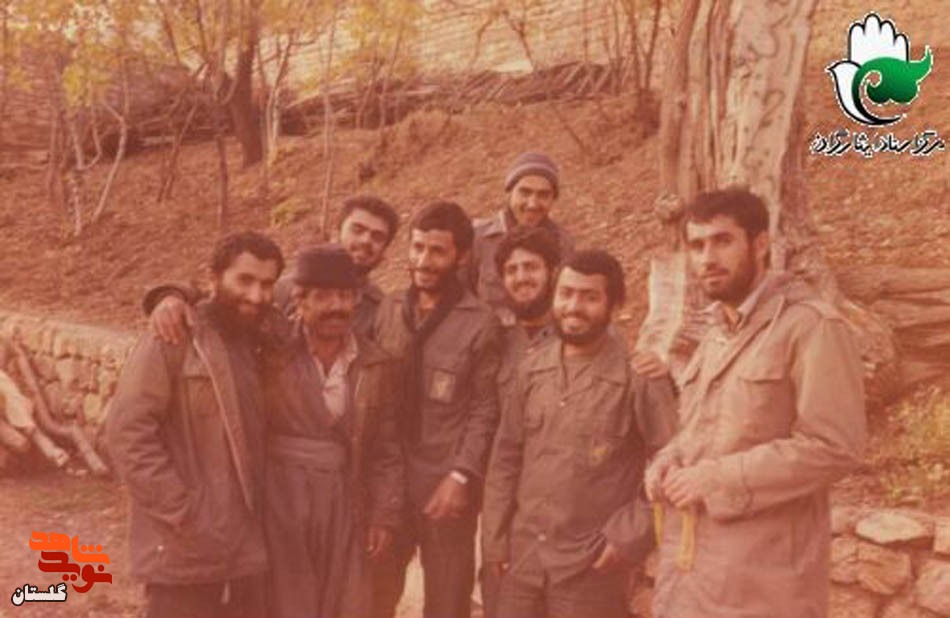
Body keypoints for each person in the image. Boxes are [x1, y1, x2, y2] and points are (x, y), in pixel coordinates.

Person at [644, 187, 867, 618]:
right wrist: (668, 459)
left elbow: (835, 447)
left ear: (761, 244)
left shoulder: (811, 326)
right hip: (692, 580)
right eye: (697, 245)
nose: (707, 257)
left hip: (765, 588)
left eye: (722, 241)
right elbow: (704, 432)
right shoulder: (716, 333)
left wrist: (714, 479)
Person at [482, 250, 677, 618]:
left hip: (591, 565)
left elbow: (671, 467)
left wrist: (628, 537)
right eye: (566, 293)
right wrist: (494, 541)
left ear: (614, 305)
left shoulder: (639, 379)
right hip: (523, 559)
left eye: (590, 297)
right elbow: (505, 460)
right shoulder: (531, 370)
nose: (574, 307)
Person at [106, 231, 283, 618]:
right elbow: (127, 433)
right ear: (213, 277)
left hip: (246, 554)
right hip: (183, 553)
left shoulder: (261, 341)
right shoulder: (173, 336)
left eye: (267, 284)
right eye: (245, 280)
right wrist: (184, 513)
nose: (257, 295)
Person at [370, 201, 503, 618]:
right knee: (373, 595)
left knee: (447, 601)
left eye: (437, 251)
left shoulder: (480, 322)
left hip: (444, 483)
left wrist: (461, 476)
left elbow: (485, 409)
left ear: (461, 256)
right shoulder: (389, 309)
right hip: (390, 481)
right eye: (417, 247)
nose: (424, 261)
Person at [262, 244, 404, 618]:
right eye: (323, 297)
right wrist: (170, 297)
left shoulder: (374, 364)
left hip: (343, 500)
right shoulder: (271, 352)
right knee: (284, 602)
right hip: (280, 500)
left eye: (344, 296)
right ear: (300, 300)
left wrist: (383, 515)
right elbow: (219, 305)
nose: (336, 306)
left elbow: (386, 448)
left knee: (344, 601)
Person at [146, 194, 400, 341]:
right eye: (358, 230)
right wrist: (172, 296)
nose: (365, 241)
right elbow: (221, 297)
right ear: (336, 232)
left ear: (385, 250)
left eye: (377, 237)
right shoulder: (284, 287)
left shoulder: (381, 310)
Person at [467, 152, 574, 315]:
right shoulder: (478, 238)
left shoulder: (563, 242)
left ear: (553, 199)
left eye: (543, 195)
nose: (532, 204)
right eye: (525, 192)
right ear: (509, 193)